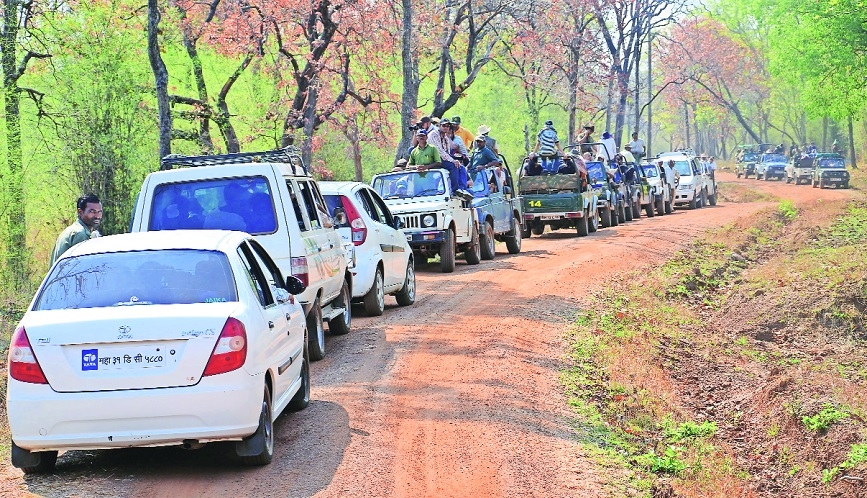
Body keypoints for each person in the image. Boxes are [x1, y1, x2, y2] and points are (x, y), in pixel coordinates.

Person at [49, 193, 103, 267]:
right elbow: (83, 267)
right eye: (92, 211)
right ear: (80, 212)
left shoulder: (72, 229)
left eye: (99, 212)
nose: (97, 216)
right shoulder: (80, 233)